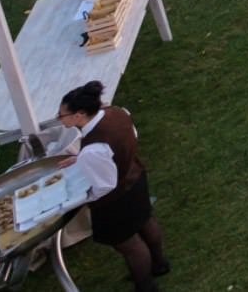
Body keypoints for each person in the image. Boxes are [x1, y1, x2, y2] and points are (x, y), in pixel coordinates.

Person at [55, 80, 168, 292]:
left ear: (79, 115)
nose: (59, 119)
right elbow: (128, 138)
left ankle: (145, 286)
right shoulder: (117, 112)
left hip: (116, 200)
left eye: (62, 115)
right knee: (146, 220)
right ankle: (160, 264)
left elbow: (104, 186)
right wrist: (83, 158)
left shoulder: (93, 150)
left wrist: (84, 195)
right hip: (135, 177)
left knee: (128, 244)